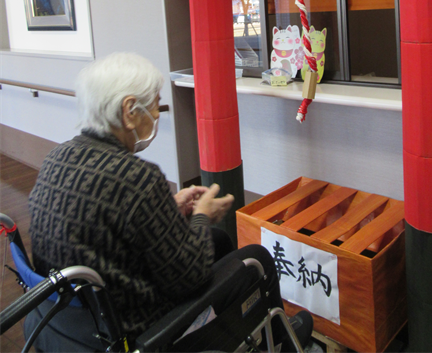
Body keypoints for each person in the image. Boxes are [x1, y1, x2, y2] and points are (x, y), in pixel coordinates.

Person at [26, 52, 312, 352]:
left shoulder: (57, 157)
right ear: (129, 111)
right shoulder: (137, 178)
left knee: (217, 241)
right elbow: (191, 278)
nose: (157, 112)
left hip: (70, 318)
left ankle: (247, 327)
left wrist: (167, 209)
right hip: (135, 331)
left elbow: (101, 222)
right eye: (154, 104)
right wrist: (201, 217)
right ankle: (283, 342)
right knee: (257, 258)